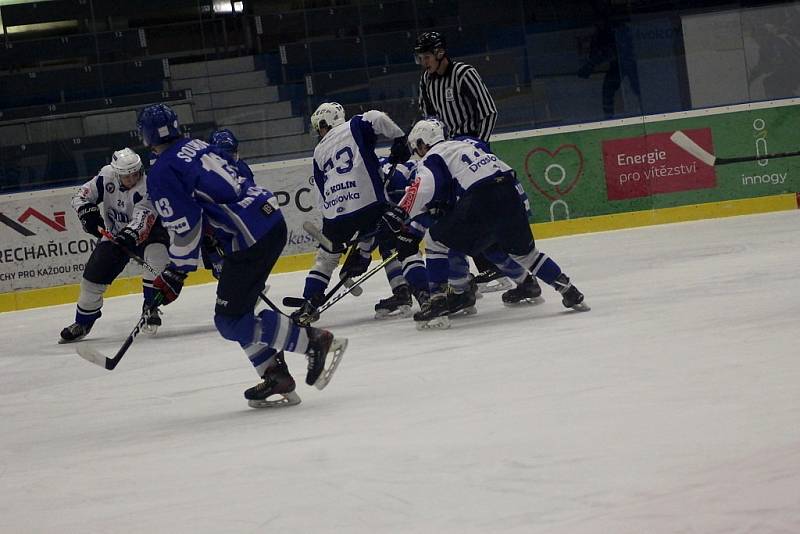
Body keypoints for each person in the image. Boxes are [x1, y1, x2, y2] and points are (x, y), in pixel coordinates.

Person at [137, 103, 347, 408]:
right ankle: (275, 375)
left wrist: (176, 271)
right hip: (267, 221)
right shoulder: (196, 145)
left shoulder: (162, 172)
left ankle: (312, 341)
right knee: (238, 313)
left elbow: (187, 226)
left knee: (229, 320)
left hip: (250, 237)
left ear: (144, 136)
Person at [382, 118, 589, 329]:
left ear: (422, 143)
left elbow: (423, 189)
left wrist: (400, 213)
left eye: (416, 146)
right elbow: (497, 169)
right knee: (527, 254)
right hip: (509, 191)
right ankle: (570, 291)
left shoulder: (432, 158)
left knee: (435, 240)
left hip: (479, 199)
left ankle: (437, 302)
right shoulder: (469, 144)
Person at [293, 102, 423, 324]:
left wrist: (334, 233)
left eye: (320, 127)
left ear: (326, 123)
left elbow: (321, 193)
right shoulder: (354, 125)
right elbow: (376, 116)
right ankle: (426, 294)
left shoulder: (318, 151)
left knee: (325, 259)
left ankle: (309, 303)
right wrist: (400, 138)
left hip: (336, 213)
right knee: (399, 241)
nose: (319, 132)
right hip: (369, 202)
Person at [414, 30, 505, 292]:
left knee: (473, 209)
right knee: (455, 213)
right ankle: (474, 271)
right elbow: (429, 119)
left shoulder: (464, 73)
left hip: (470, 153)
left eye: (427, 56)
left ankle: (496, 267)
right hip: (445, 156)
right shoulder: (426, 81)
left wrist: (479, 146)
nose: (424, 62)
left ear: (440, 53)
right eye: (420, 57)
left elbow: (488, 112)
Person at [59, 148, 169, 343]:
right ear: (117, 173)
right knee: (91, 280)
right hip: (113, 235)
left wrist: (128, 236)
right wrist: (88, 213)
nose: (132, 178)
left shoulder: (149, 186)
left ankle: (150, 306)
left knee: (157, 256)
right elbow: (80, 196)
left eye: (136, 173)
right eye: (127, 176)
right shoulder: (106, 175)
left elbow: (144, 217)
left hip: (149, 234)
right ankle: (83, 322)